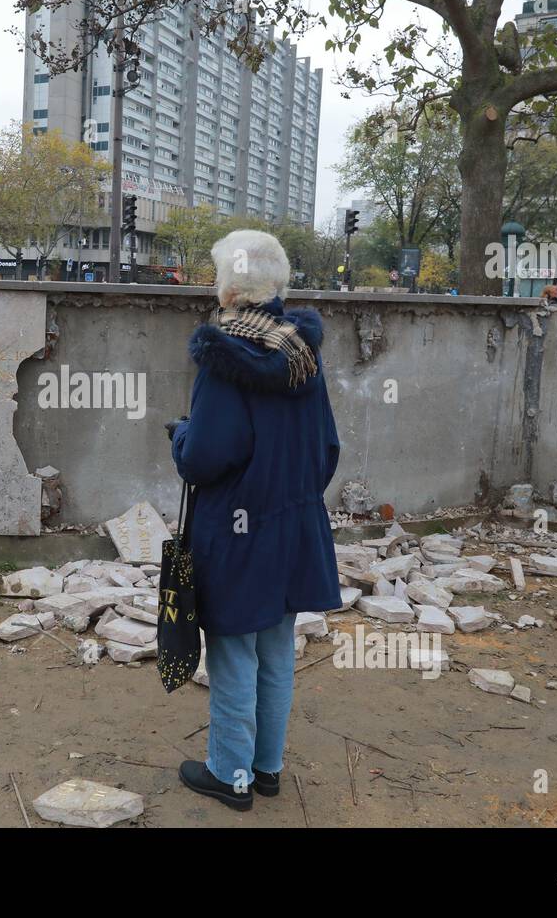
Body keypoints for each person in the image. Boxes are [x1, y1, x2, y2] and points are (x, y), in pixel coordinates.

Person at [167, 230, 341, 811]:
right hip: (291, 528)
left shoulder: (223, 358)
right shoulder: (302, 352)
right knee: (276, 647)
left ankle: (229, 774)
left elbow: (204, 459)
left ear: (231, 286)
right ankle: (266, 768)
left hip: (236, 534)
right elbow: (327, 451)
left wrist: (182, 434)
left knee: (235, 652)